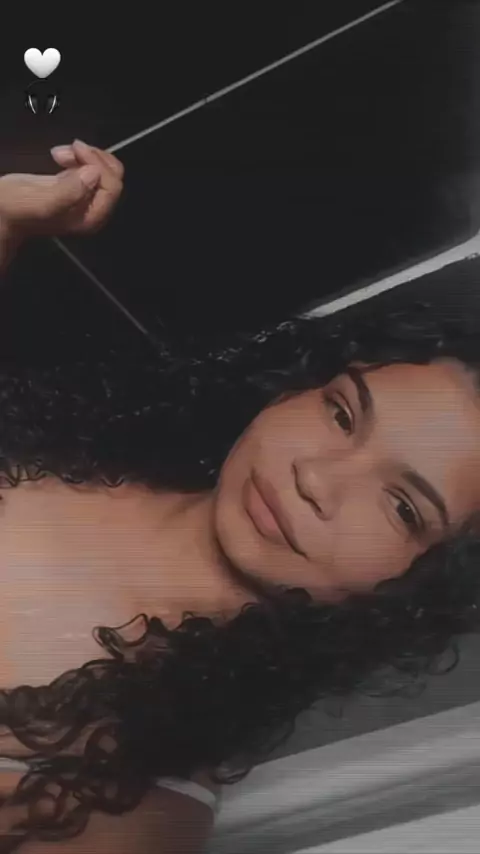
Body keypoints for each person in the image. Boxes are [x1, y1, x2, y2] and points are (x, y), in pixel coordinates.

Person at [0, 140, 479, 851]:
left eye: (402, 506)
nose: (317, 477)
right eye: (342, 413)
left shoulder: (123, 801)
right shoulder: (85, 443)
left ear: (421, 589)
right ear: (297, 386)